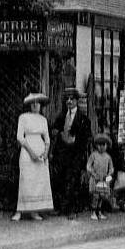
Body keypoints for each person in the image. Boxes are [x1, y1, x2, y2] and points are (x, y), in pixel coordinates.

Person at [49, 88, 91, 217]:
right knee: (60, 179)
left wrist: (77, 140)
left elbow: (87, 138)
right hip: (62, 153)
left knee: (73, 180)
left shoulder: (83, 118)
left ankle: (72, 209)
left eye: (72, 99)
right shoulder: (62, 116)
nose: (69, 101)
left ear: (77, 101)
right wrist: (56, 132)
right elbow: (54, 131)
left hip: (75, 154)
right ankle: (61, 208)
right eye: (67, 99)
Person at [12, 93, 54, 221]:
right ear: (30, 105)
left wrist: (45, 153)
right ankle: (19, 211)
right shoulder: (23, 117)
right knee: (26, 180)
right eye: (33, 103)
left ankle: (34, 211)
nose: (35, 105)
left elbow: (47, 139)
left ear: (41, 105)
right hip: (27, 151)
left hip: (41, 152)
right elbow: (20, 137)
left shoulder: (43, 119)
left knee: (38, 181)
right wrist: (31, 153)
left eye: (38, 103)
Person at [87, 133, 114, 220]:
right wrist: (93, 174)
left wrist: (109, 175)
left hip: (104, 179)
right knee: (95, 196)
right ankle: (93, 212)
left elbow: (111, 168)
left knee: (102, 196)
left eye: (103, 145)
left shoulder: (108, 157)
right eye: (99, 145)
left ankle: (100, 211)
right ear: (96, 145)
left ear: (106, 145)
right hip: (95, 179)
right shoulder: (93, 155)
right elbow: (88, 166)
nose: (101, 147)